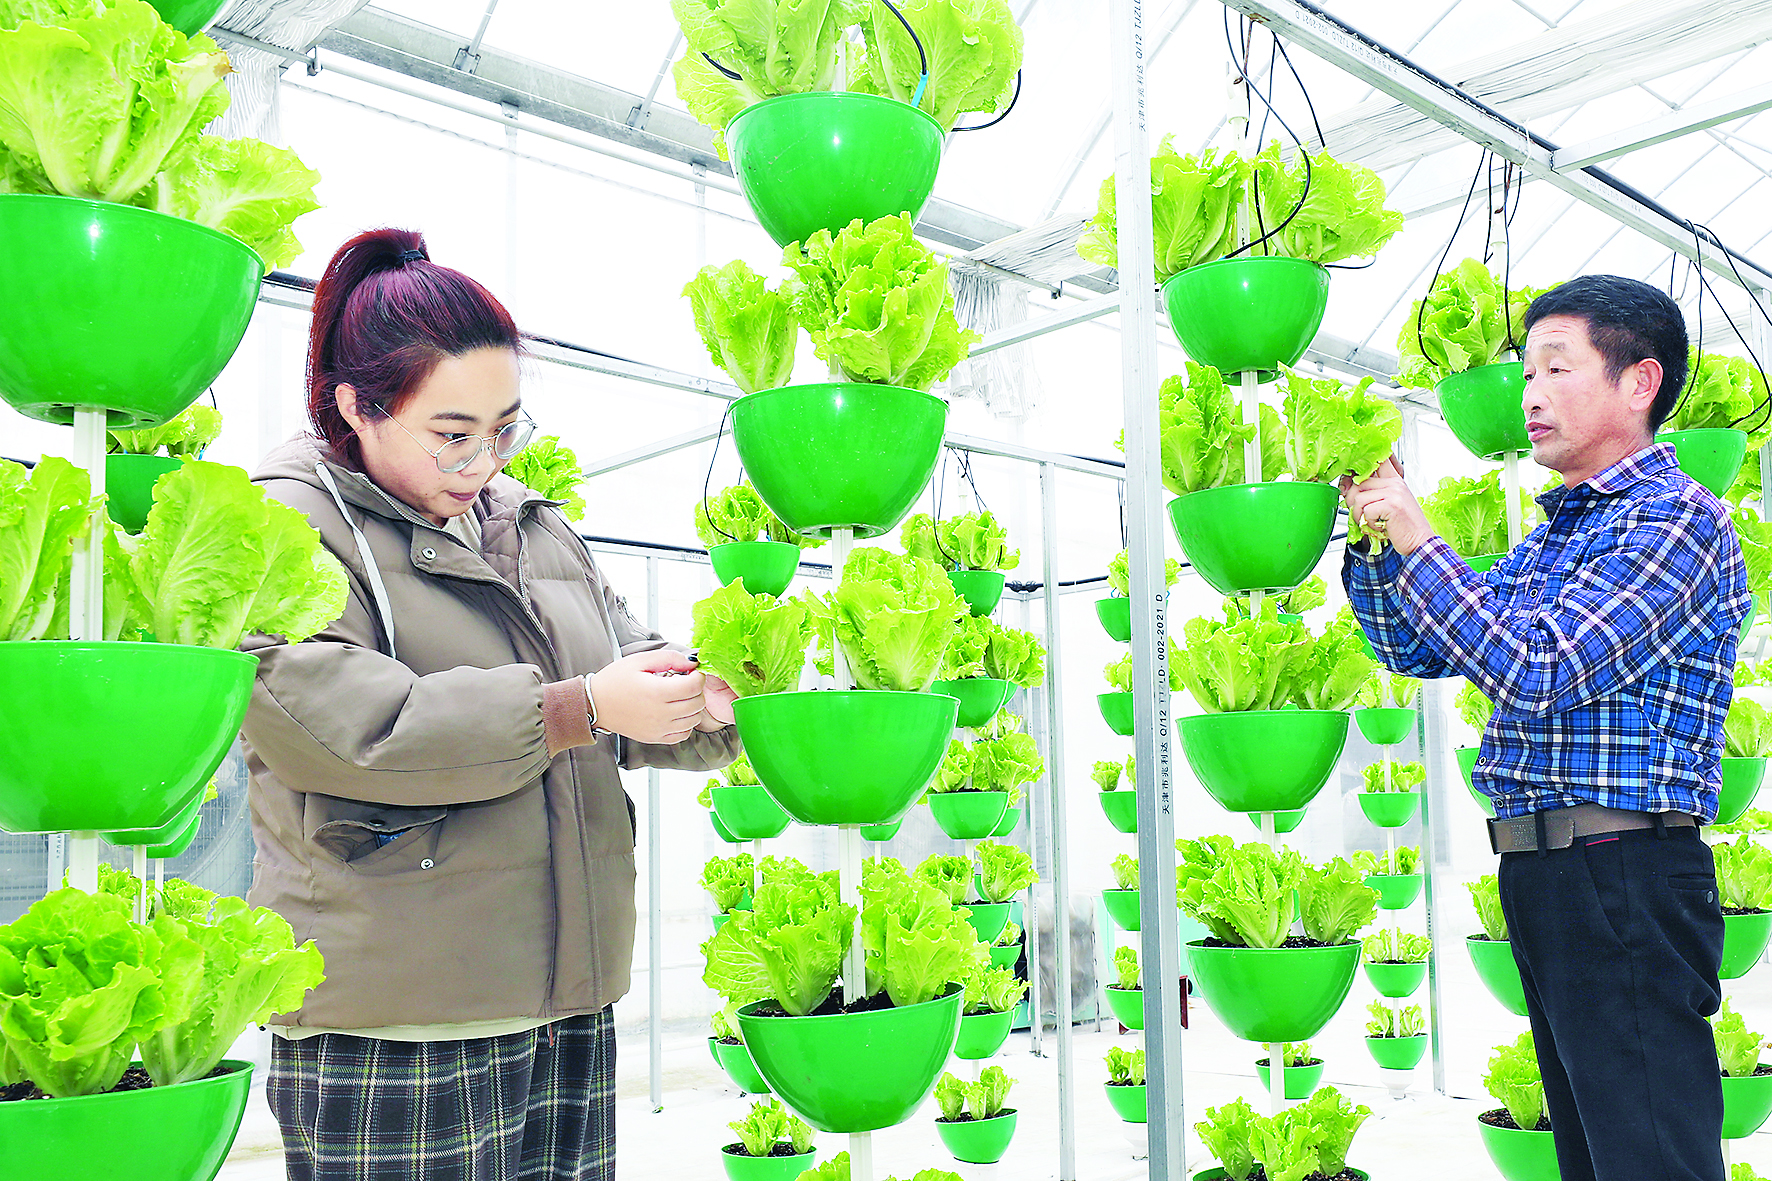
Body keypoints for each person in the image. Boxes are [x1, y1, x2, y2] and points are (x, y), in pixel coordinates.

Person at [239, 227, 741, 1181]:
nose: (481, 460)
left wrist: (702, 698)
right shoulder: (286, 527)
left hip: (564, 1000)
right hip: (399, 1021)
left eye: (505, 428)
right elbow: (348, 729)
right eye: (451, 433)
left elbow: (621, 660)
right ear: (357, 407)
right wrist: (579, 709)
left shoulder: (528, 525)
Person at [1340, 274, 1747, 1181]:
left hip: (1624, 870)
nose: (1530, 394)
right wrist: (1374, 538)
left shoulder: (1676, 520)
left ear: (1639, 382)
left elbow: (1535, 668)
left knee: (1649, 1156)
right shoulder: (1558, 535)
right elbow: (1420, 644)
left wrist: (1419, 537)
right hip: (1552, 873)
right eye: (1527, 372)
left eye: (1556, 368)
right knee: (1594, 1155)